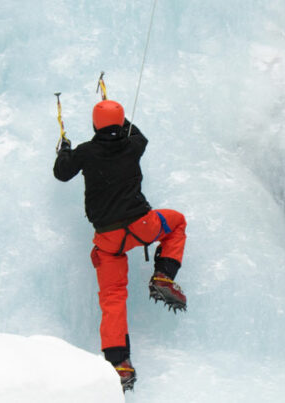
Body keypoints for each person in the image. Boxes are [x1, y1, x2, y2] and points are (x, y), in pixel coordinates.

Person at [53, 99, 188, 391]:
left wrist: (64, 150)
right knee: (176, 222)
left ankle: (120, 364)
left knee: (113, 298)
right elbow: (140, 136)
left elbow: (62, 173)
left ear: (94, 125)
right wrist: (123, 122)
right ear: (121, 123)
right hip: (142, 227)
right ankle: (164, 274)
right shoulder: (132, 145)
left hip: (108, 239)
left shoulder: (85, 152)